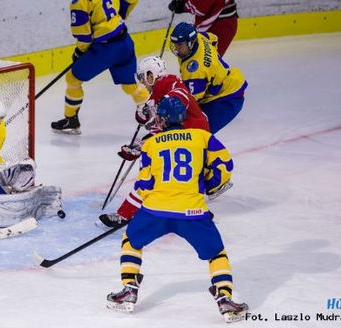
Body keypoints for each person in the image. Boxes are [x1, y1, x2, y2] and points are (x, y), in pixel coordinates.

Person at [105, 96, 248, 323]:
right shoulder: (202, 137)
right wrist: (212, 184)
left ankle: (128, 289)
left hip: (155, 211)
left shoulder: (152, 143)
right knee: (216, 253)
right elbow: (225, 164)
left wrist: (135, 211)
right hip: (192, 212)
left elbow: (144, 184)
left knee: (131, 242)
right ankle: (225, 299)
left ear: (161, 119)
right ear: (182, 117)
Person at [99, 55, 221, 228]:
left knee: (152, 177)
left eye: (143, 77)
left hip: (191, 138)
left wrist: (152, 116)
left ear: (151, 75)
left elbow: (178, 99)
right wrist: (139, 144)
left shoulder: (170, 85)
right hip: (190, 139)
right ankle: (200, 213)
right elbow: (161, 127)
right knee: (186, 179)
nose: (142, 82)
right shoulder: (158, 92)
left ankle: (124, 214)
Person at [51, 0, 149, 134]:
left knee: (73, 79)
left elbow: (84, 37)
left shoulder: (79, 3)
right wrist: (119, 16)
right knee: (130, 85)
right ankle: (155, 115)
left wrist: (79, 52)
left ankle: (71, 119)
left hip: (106, 50)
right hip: (125, 42)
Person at [170, 21, 247, 134]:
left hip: (227, 99)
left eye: (180, 44)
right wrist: (212, 66)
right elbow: (214, 39)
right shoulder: (201, 37)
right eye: (175, 43)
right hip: (228, 84)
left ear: (190, 43)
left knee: (199, 132)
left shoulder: (195, 71)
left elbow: (191, 102)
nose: (176, 48)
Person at [168, 0, 238, 57]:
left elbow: (201, 8)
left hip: (221, 25)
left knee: (208, 61)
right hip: (218, 21)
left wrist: (183, 6)